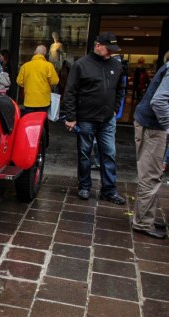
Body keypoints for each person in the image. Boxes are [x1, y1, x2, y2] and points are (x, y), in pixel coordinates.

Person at [62, 32, 126, 204]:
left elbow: (120, 88)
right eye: (108, 49)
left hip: (107, 120)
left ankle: (109, 191)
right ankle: (84, 187)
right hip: (85, 118)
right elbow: (70, 92)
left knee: (109, 154)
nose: (111, 52)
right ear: (97, 45)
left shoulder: (116, 65)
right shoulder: (81, 65)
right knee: (84, 155)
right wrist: (71, 117)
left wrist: (114, 109)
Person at [131, 59, 169, 239]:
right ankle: (143, 222)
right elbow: (159, 101)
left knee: (150, 174)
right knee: (150, 175)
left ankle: (145, 217)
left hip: (151, 124)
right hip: (153, 127)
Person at [16, 45, 59, 115]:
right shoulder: (48, 66)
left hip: (29, 100)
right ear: (44, 53)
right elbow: (55, 81)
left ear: (35, 52)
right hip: (44, 101)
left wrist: (28, 84)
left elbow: (19, 81)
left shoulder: (25, 66)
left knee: (30, 121)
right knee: (42, 122)